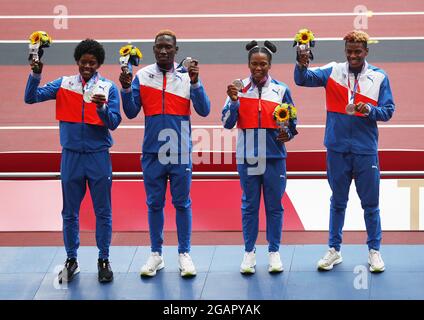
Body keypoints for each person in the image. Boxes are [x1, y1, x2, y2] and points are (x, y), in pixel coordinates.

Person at [294, 30, 395, 272]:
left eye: (357, 51)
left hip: (365, 150)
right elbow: (303, 79)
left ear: (366, 52)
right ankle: (334, 250)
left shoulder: (379, 77)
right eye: (349, 51)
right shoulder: (333, 71)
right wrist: (301, 60)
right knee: (338, 202)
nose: (353, 55)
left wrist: (369, 110)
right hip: (337, 148)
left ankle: (374, 252)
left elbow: (388, 110)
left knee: (370, 204)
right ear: (345, 51)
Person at [24, 39, 121, 283]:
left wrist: (101, 110)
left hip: (98, 157)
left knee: (103, 212)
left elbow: (114, 122)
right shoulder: (63, 84)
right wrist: (35, 74)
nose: (87, 66)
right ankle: (71, 260)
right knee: (69, 213)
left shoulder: (108, 88)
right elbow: (31, 97)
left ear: (98, 64)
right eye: (83, 61)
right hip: (71, 157)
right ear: (77, 61)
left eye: (92, 62)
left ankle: (104, 259)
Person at [119, 29, 210, 277]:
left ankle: (184, 255)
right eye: (159, 46)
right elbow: (130, 112)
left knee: (182, 204)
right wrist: (126, 90)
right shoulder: (143, 76)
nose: (163, 50)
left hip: (180, 152)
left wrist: (195, 82)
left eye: (168, 47)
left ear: (176, 50)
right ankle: (156, 255)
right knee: (154, 204)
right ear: (153, 49)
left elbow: (204, 110)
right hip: (152, 153)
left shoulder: (186, 76)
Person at [222, 40, 298, 274]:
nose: (258, 68)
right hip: (248, 158)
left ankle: (274, 252)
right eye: (254, 64)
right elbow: (226, 123)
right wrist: (234, 102)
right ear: (248, 64)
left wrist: (288, 132)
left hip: (275, 158)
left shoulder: (282, 90)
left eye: (263, 64)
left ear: (270, 65)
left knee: (274, 207)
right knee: (250, 206)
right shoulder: (237, 89)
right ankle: (249, 252)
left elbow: (292, 124)